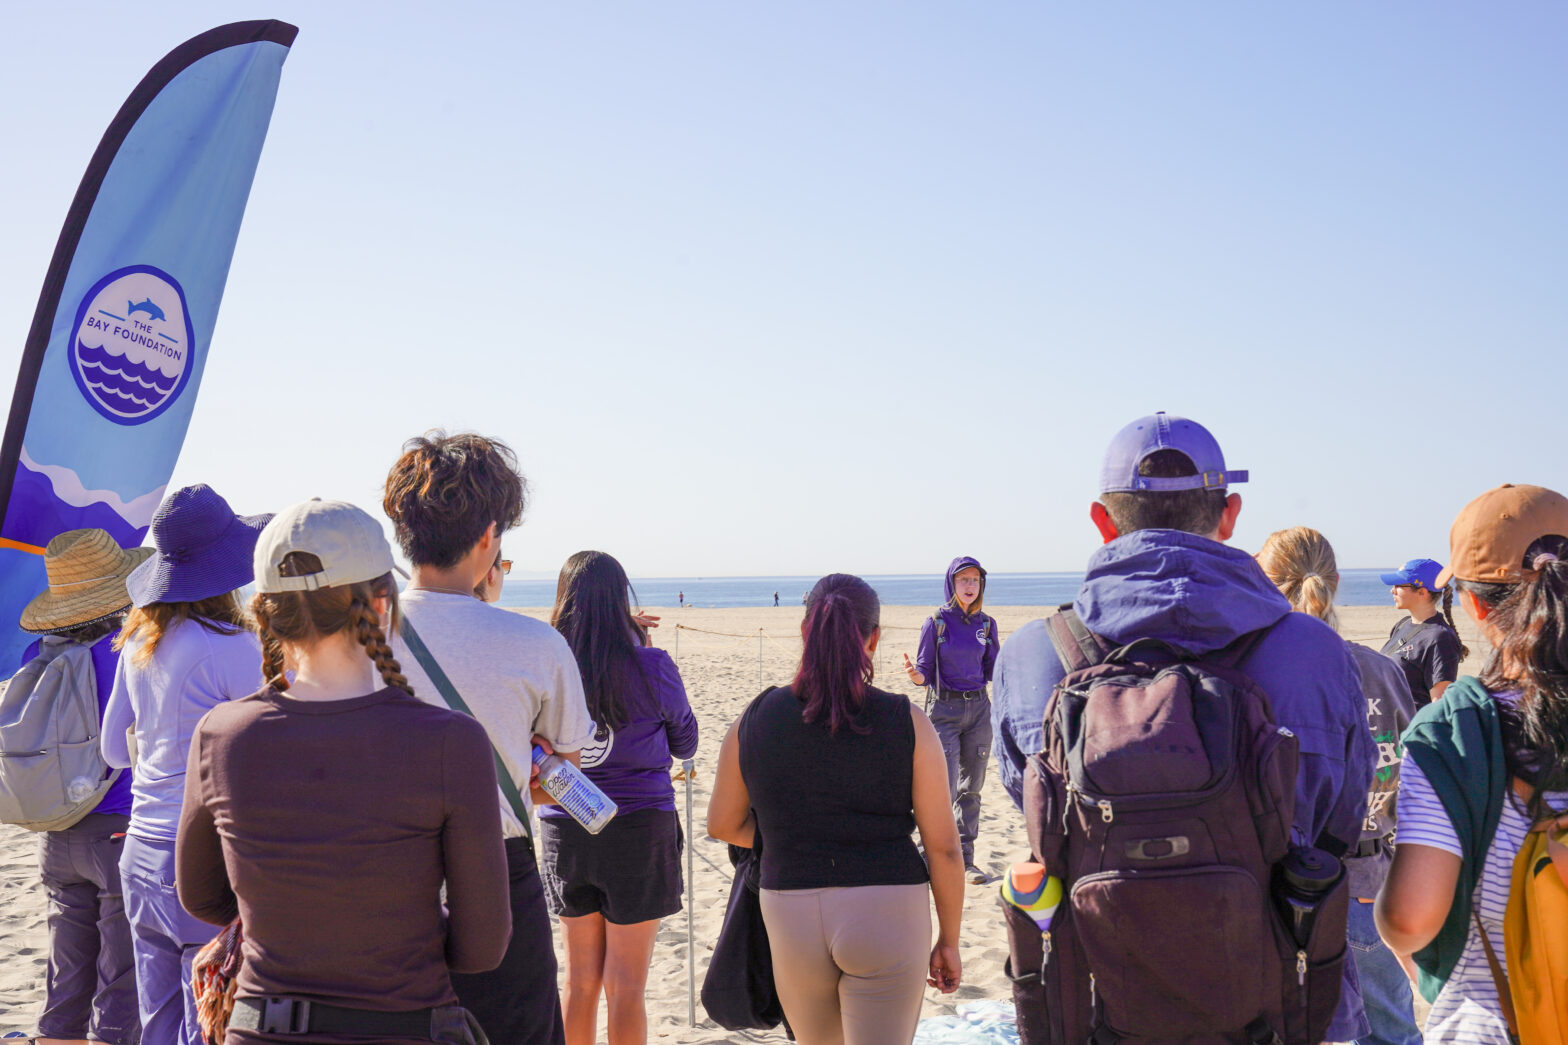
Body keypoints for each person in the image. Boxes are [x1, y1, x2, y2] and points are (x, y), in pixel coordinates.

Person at [991, 412, 1374, 1042]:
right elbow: (1340, 820)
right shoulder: (1313, 650)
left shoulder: (1037, 654)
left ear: (1102, 520)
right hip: (1284, 1000)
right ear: (1229, 515)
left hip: (1099, 1003)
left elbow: (1032, 808)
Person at [176, 499, 510, 1044]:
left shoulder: (222, 735)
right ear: (383, 603)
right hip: (406, 1026)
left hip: (264, 1029)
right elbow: (483, 947)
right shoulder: (450, 740)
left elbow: (201, 897)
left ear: (264, 611)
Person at [383, 431, 594, 1045]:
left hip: (384, 869)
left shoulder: (357, 634)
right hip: (495, 870)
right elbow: (561, 782)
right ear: (487, 537)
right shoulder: (535, 645)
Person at [708, 573, 964, 1045]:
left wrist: (786, 836)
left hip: (790, 904)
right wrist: (949, 939)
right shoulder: (907, 721)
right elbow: (944, 848)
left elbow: (722, 823)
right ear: (873, 639)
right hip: (887, 905)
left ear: (806, 633)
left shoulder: (757, 717)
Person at [1376, 484, 1568, 1044]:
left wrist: (1382, 913)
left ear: (1473, 603)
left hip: (1496, 1024)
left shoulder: (1455, 727)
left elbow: (1414, 918)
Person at [99, 486, 270, 1045]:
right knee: (210, 1019)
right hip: (201, 852)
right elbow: (269, 744)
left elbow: (111, 751)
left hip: (139, 853)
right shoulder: (232, 647)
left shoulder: (140, 642)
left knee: (159, 1022)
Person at [1257, 527, 1421, 1045]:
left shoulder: (1257, 671)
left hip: (1284, 887)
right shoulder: (1379, 669)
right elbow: (1403, 767)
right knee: (1390, 1028)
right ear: (1336, 582)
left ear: (1263, 585)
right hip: (1369, 879)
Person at [544, 551, 698, 1045]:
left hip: (565, 825)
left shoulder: (548, 663)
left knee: (579, 982)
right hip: (638, 827)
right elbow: (685, 743)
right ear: (621, 602)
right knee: (626, 988)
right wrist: (634, 641)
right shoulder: (650, 665)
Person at [19, 529, 149, 1045]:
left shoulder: (38, 654)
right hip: (115, 827)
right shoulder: (122, 655)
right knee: (120, 979)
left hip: (57, 831)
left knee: (66, 978)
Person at [902, 557, 998, 884]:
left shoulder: (986, 624)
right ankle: (928, 856)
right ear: (952, 584)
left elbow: (992, 671)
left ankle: (965, 861)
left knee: (972, 789)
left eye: (975, 580)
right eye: (964, 580)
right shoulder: (936, 622)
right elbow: (924, 673)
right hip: (943, 711)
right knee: (941, 788)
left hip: (979, 711)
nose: (970, 586)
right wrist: (916, 676)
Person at [1378, 557, 1467, 710]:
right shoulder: (1402, 625)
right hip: (1389, 728)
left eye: (1399, 585)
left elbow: (1439, 705)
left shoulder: (1440, 638)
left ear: (1422, 592)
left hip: (1412, 730)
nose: (1392, 590)